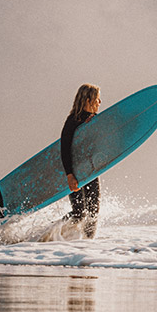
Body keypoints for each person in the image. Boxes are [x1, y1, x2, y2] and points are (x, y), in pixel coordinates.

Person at [60, 84, 102, 238]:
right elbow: (64, 148)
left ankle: (87, 244)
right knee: (79, 213)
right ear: (89, 100)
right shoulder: (72, 121)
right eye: (97, 99)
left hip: (91, 171)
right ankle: (49, 233)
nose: (100, 102)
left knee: (93, 213)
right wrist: (69, 175)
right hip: (76, 172)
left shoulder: (97, 120)